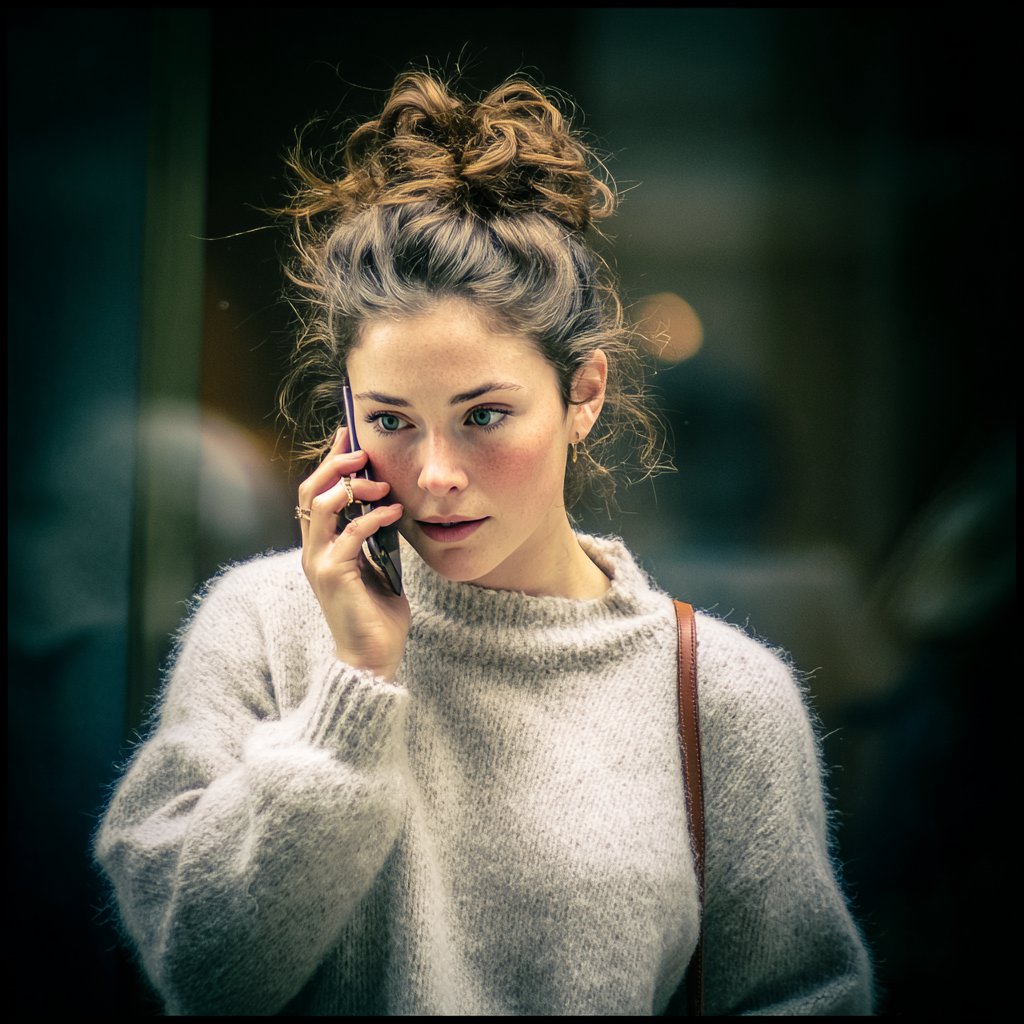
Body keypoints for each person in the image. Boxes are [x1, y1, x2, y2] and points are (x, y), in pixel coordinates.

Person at [94, 71, 873, 1015]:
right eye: (391, 419)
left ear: (582, 395)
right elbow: (203, 973)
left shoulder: (719, 693)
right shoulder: (262, 625)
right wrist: (356, 682)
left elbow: (803, 998)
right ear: (343, 414)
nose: (434, 474)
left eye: (485, 415)